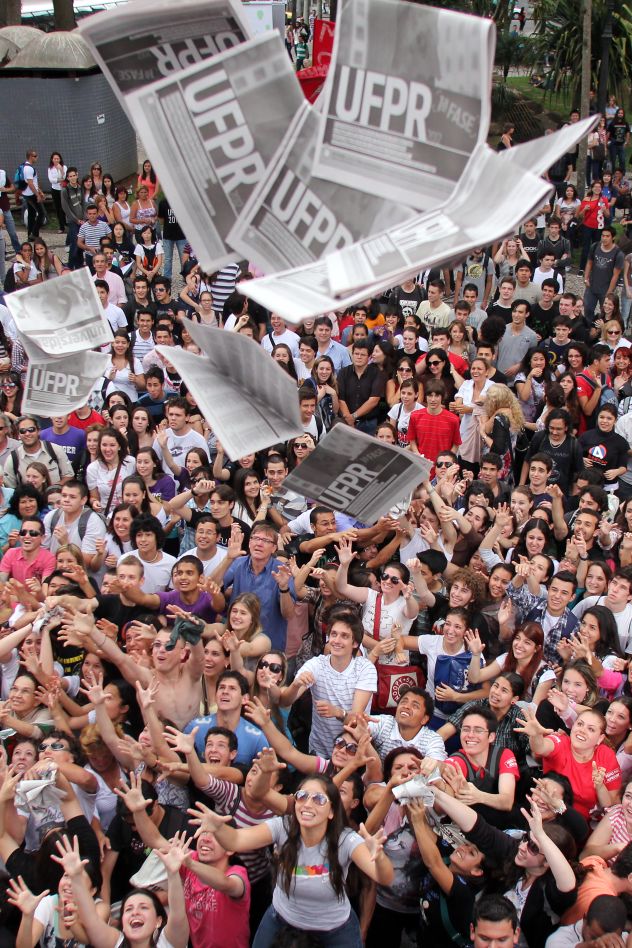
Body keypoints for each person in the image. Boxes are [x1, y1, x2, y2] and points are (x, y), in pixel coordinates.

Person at [187, 775, 394, 946]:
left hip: (334, 928)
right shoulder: (282, 826)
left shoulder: (346, 840)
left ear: (331, 811)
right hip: (281, 918)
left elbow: (383, 877)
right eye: (302, 796)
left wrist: (380, 857)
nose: (307, 804)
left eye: (319, 799)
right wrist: (218, 828)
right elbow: (236, 839)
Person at [3, 415, 74, 488]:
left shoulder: (55, 450)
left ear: (39, 431)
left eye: (31, 429)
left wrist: (52, 490)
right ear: (18, 435)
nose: (27, 434)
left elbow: (69, 476)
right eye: (22, 431)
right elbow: (10, 489)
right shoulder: (13, 459)